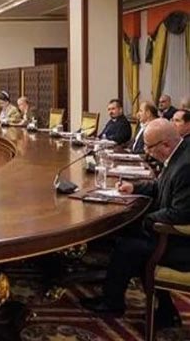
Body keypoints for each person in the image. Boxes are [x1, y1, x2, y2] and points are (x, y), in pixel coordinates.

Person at [81, 119, 190, 330]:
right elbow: (160, 186)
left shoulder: (186, 167)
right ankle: (166, 311)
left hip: (181, 243)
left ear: (165, 145)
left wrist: (146, 220)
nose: (147, 152)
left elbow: (181, 213)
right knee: (127, 234)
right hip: (170, 234)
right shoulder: (178, 154)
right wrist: (135, 187)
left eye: (149, 147)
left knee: (128, 247)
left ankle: (112, 303)